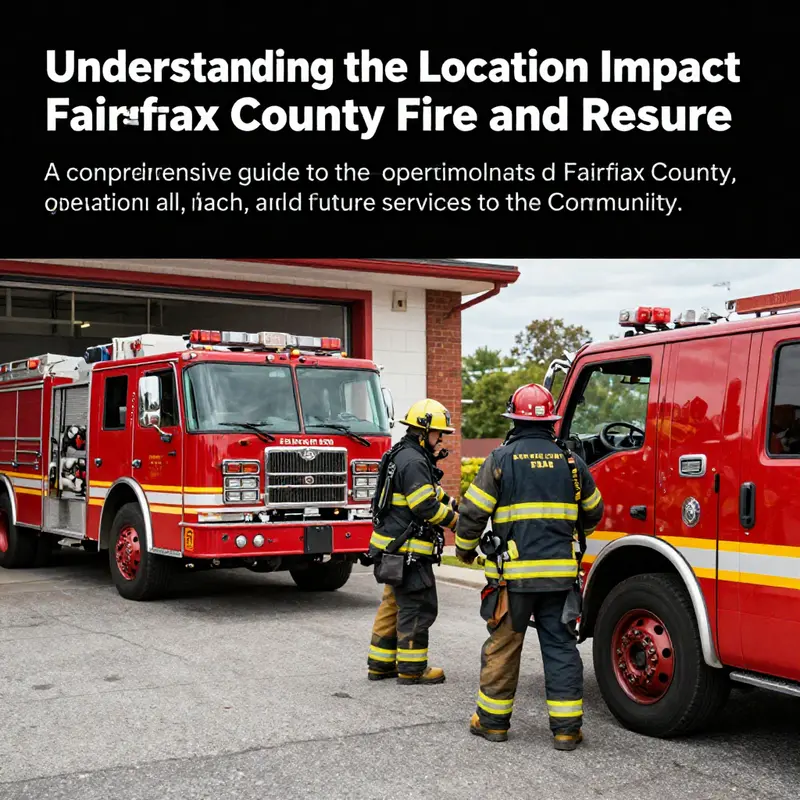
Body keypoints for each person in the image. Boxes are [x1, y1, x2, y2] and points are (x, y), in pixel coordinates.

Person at [454, 383, 604, 750]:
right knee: (560, 648)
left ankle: (492, 723)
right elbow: (594, 511)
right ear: (551, 421)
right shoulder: (571, 462)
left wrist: (464, 550)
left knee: (504, 646)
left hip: (513, 581)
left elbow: (473, 512)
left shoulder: (500, 460)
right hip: (559, 579)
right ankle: (567, 729)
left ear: (514, 419)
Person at [365, 399, 460, 685]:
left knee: (392, 603)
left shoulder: (403, 454)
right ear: (422, 431)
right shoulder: (415, 460)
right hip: (408, 551)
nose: (440, 439)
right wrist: (457, 522)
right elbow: (425, 507)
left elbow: (433, 494)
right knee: (417, 606)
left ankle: (380, 664)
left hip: (390, 548)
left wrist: (458, 505)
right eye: (437, 433)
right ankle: (412, 668)